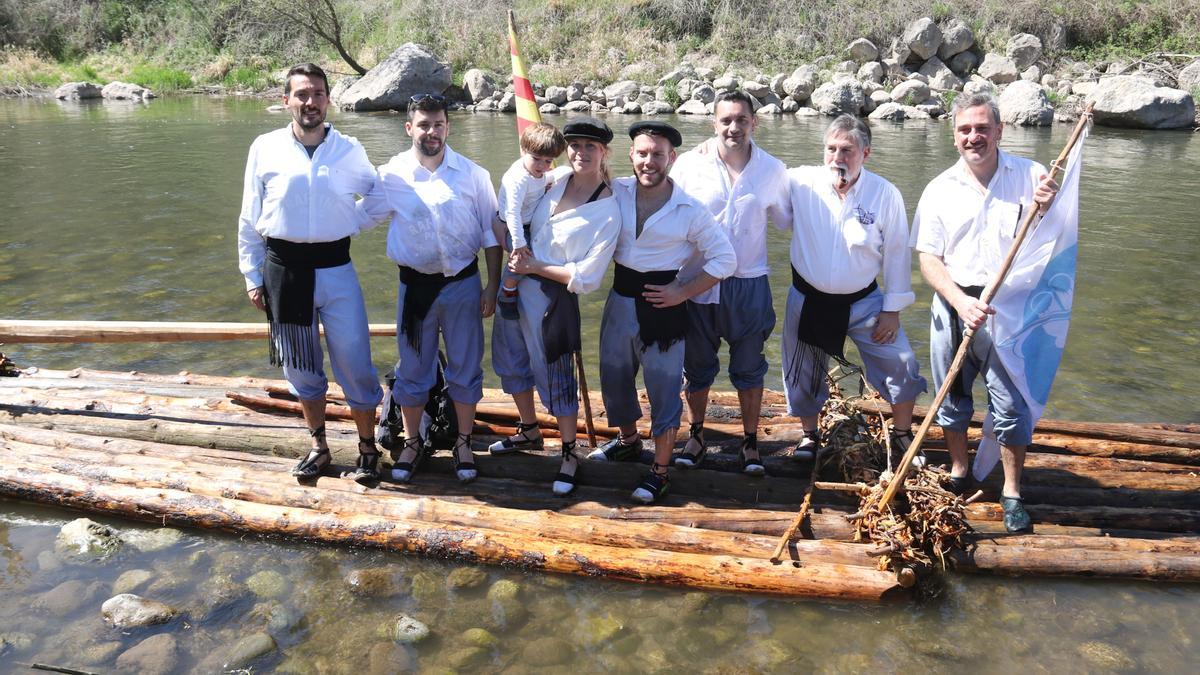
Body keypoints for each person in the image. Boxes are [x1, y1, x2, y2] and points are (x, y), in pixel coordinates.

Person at [913, 92, 1058, 533]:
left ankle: (1012, 491)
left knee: (1011, 402)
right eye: (964, 129)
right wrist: (959, 301)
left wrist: (1051, 206)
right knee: (951, 397)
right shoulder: (939, 189)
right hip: (955, 301)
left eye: (981, 128)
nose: (973, 136)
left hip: (1010, 305)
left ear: (998, 130)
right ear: (954, 136)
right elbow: (928, 259)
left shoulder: (1032, 177)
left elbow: (1055, 237)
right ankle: (959, 470)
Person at [236, 63, 383, 485]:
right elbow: (249, 217)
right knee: (301, 368)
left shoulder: (348, 149)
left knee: (355, 362)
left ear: (328, 99)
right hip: (283, 271)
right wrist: (251, 273)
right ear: (286, 101)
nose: (310, 102)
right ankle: (318, 446)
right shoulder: (265, 147)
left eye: (318, 93)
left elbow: (377, 194)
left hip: (337, 268)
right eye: (301, 94)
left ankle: (367, 448)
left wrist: (353, 220)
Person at [588, 121, 737, 504]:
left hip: (663, 309)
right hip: (620, 299)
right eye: (642, 153)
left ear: (672, 158)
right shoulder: (614, 190)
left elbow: (726, 258)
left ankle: (660, 471)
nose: (648, 161)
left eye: (657, 154)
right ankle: (628, 441)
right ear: (631, 155)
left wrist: (683, 290)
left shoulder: (689, 208)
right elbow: (570, 178)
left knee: (664, 389)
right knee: (615, 378)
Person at [357, 93, 502, 485]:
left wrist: (492, 285)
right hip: (415, 289)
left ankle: (464, 442)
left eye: (438, 124)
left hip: (463, 285)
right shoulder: (391, 175)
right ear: (409, 128)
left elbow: (492, 233)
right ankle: (412, 441)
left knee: (465, 368)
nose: (432, 132)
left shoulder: (473, 174)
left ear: (448, 127)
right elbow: (361, 218)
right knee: (414, 370)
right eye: (423, 124)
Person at [783, 114, 926, 467]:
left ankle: (903, 432)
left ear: (866, 153)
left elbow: (895, 253)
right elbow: (755, 171)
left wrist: (892, 309)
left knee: (902, 363)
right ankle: (809, 434)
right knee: (803, 371)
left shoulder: (884, 194)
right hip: (809, 298)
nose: (837, 157)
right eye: (831, 149)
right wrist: (714, 150)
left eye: (846, 150)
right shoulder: (800, 182)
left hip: (865, 301)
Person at [488, 117, 621, 495]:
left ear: (604, 153)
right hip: (515, 283)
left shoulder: (608, 209)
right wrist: (504, 236)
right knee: (511, 360)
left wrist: (534, 266)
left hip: (552, 297)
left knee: (557, 374)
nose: (580, 152)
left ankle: (567, 451)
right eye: (575, 145)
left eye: (590, 147)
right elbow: (515, 199)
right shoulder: (554, 176)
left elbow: (589, 277)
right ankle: (529, 430)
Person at [669, 90, 791, 476]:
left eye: (741, 120)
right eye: (726, 120)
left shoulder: (773, 170)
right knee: (697, 366)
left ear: (754, 123)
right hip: (697, 282)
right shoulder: (689, 165)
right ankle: (696, 435)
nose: (733, 127)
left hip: (748, 283)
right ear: (714, 124)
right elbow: (664, 212)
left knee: (750, 367)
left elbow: (789, 221)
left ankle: (750, 442)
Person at [494, 122, 568, 320]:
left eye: (548, 161)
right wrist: (519, 243)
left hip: (529, 220)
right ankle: (507, 292)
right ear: (523, 150)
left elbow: (547, 177)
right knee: (523, 259)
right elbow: (512, 213)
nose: (542, 166)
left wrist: (569, 172)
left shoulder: (538, 172)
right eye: (536, 159)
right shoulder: (517, 179)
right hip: (514, 226)